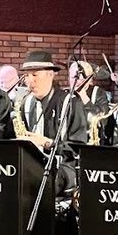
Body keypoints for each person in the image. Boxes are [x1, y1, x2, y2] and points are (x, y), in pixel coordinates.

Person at [16, 50, 87, 194]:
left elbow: (78, 149)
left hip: (65, 167)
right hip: (33, 164)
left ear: (50, 74)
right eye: (27, 76)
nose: (30, 81)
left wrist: (48, 143)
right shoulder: (26, 103)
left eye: (35, 75)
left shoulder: (71, 102)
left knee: (40, 182)